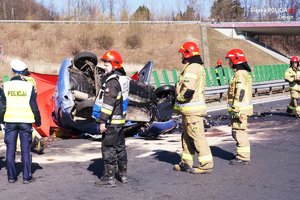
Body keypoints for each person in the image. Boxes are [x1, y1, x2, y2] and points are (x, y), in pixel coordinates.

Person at [173, 41, 213, 174]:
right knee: (186, 137)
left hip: (193, 111)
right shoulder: (195, 67)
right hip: (188, 111)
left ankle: (206, 165)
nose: (181, 56)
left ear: (187, 53)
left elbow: (188, 90)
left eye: (182, 53)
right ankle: (186, 162)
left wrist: (178, 99)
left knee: (197, 136)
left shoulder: (192, 67)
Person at [92, 50, 130, 187]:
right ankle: (123, 175)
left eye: (107, 65)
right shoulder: (123, 79)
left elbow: (108, 104)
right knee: (120, 148)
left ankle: (109, 178)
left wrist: (102, 121)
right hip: (120, 121)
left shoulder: (112, 82)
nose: (104, 67)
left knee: (108, 148)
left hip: (111, 122)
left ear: (114, 65)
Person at [0, 59, 41, 184]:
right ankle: (26, 177)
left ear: (13, 71)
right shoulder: (29, 87)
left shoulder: (5, 86)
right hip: (25, 121)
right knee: (25, 149)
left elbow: (2, 107)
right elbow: (34, 106)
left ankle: (11, 177)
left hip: (10, 122)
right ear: (23, 72)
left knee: (10, 149)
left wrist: (1, 121)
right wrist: (38, 121)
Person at [225, 49, 253, 165]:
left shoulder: (240, 73)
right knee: (238, 131)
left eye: (230, 60)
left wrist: (236, 107)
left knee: (239, 132)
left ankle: (243, 157)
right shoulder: (241, 72)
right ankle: (242, 155)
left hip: (240, 109)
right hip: (241, 108)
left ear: (235, 60)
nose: (229, 63)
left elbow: (240, 91)